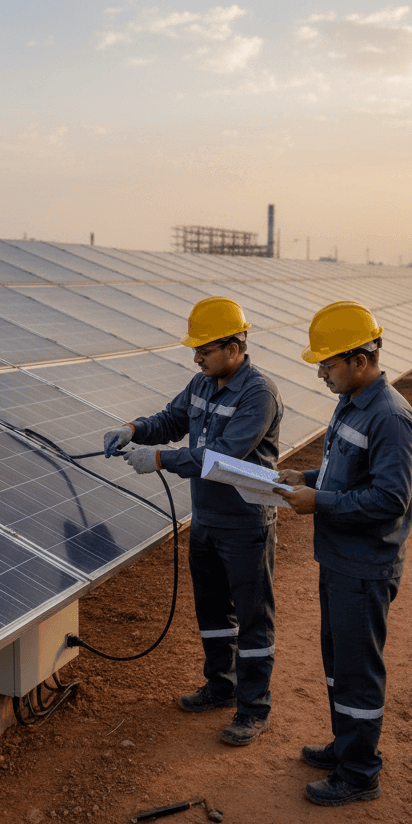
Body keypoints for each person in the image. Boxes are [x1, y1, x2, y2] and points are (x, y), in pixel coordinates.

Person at [103, 296, 283, 746]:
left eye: (205, 348)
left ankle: (254, 708)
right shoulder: (202, 383)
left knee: (253, 618)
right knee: (212, 611)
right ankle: (220, 687)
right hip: (205, 520)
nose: (197, 356)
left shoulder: (258, 394)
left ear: (234, 347)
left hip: (245, 524)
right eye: (195, 349)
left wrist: (161, 458)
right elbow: (172, 418)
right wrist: (135, 429)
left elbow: (220, 457)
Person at [272, 301, 412, 807]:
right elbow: (345, 475)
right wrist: (307, 479)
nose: (322, 374)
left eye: (329, 364)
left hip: (365, 567)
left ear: (360, 360)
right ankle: (345, 745)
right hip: (338, 560)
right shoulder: (352, 402)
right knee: (337, 662)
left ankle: (360, 773)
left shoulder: (392, 418)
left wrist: (320, 502)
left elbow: (388, 499)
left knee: (358, 670)